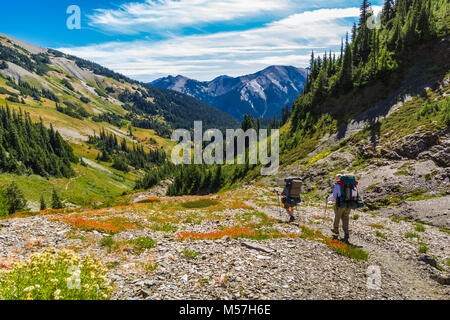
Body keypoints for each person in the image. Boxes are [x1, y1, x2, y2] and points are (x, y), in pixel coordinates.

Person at [328, 174, 352, 244]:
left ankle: (335, 231)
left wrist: (328, 198)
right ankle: (346, 233)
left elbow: (334, 196)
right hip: (349, 204)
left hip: (340, 204)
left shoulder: (337, 185)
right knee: (346, 217)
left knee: (337, 217)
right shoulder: (349, 185)